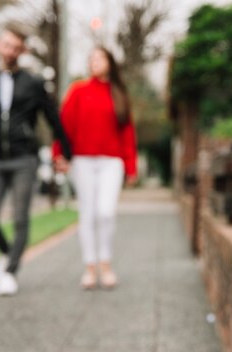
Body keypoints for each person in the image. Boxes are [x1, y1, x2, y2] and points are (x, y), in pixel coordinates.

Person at [0, 25, 72, 296]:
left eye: (16, 46)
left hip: (24, 159)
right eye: (6, 44)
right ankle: (7, 252)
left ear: (22, 50)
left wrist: (65, 153)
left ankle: (10, 272)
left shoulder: (34, 84)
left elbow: (53, 118)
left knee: (21, 219)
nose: (10, 50)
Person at [52, 46, 138, 290]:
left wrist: (131, 165)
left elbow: (128, 132)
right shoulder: (78, 91)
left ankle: (106, 263)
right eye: (90, 58)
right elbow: (64, 125)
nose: (94, 62)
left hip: (112, 161)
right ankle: (90, 268)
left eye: (99, 57)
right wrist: (59, 154)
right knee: (87, 214)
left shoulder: (119, 94)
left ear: (110, 62)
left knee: (106, 212)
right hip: (83, 161)